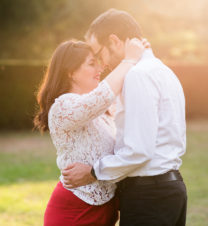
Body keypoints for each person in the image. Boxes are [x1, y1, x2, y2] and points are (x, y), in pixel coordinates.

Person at [63, 9, 187, 226]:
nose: (101, 64)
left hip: (149, 197)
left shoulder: (137, 76)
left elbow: (138, 151)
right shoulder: (163, 70)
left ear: (114, 41)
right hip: (170, 191)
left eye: (99, 54)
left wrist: (93, 171)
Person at [34, 38, 147, 225]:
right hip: (74, 212)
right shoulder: (63, 107)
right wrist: (129, 59)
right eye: (92, 64)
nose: (100, 69)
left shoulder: (101, 109)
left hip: (106, 211)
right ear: (71, 72)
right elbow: (103, 94)